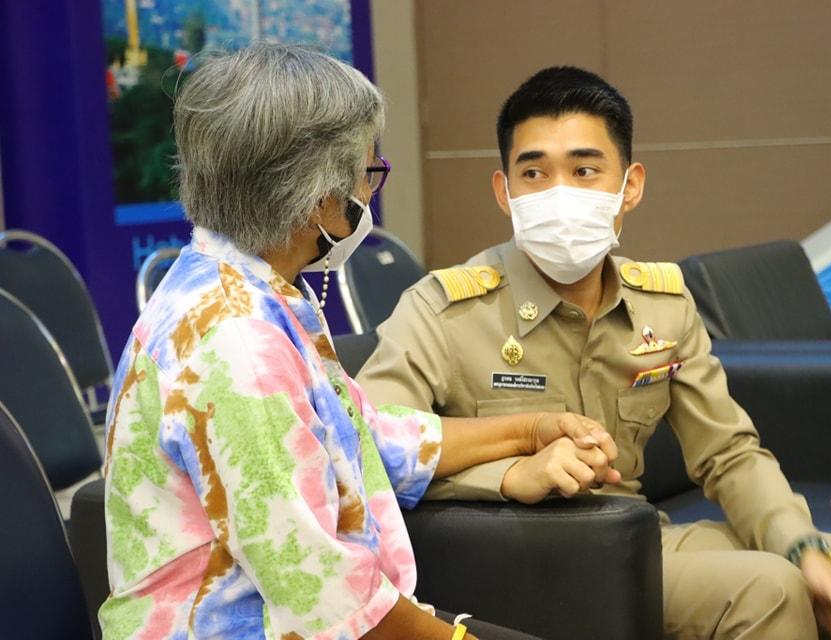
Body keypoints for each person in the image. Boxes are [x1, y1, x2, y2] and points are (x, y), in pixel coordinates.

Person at [99, 45, 621, 640]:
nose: (368, 192)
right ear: (317, 196)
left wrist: (531, 430)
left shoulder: (252, 288)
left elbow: (367, 436)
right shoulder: (237, 344)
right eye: (367, 173)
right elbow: (327, 597)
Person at [357, 66, 831, 640]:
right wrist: (509, 472)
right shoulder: (443, 310)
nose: (559, 194)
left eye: (585, 170)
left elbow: (728, 452)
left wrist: (802, 546)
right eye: (534, 173)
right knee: (770, 588)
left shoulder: (661, 305)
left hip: (634, 540)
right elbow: (366, 447)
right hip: (515, 558)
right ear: (504, 192)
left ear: (630, 186)